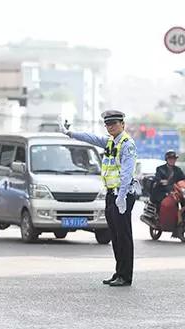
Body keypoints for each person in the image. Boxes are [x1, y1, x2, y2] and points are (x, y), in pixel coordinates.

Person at [59, 111, 137, 287]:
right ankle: (119, 272)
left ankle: (126, 276)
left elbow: (126, 173)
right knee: (115, 236)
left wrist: (122, 196)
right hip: (112, 194)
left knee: (124, 236)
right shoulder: (110, 141)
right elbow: (91, 138)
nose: (111, 127)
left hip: (122, 195)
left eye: (114, 124)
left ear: (123, 124)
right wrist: (70, 133)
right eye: (108, 124)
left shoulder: (127, 144)